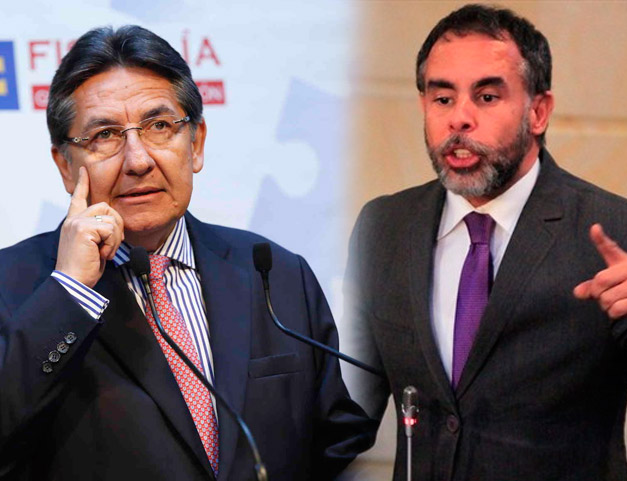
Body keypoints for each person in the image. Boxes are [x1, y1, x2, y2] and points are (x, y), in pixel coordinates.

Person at [0, 25, 375, 481]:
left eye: (160, 127)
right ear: (65, 165)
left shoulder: (276, 273)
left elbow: (336, 447)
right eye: (105, 135)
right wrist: (70, 292)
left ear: (195, 144)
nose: (138, 160)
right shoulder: (14, 287)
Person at [345, 4, 627, 480]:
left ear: (538, 111)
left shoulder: (623, 234)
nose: (460, 119)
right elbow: (344, 416)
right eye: (443, 98)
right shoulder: (385, 227)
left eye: (487, 97)